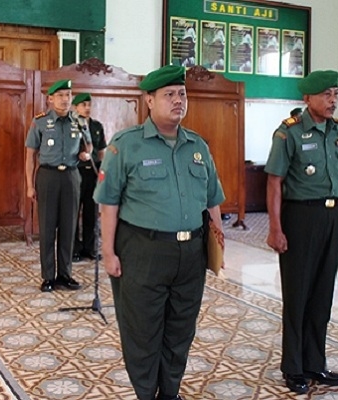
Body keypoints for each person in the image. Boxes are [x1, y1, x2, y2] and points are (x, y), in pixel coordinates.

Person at [94, 64, 225, 400]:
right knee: (143, 331)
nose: (178, 100)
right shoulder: (127, 146)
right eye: (169, 95)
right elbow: (108, 203)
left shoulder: (197, 146)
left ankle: (170, 392)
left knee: (180, 330)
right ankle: (145, 393)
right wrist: (108, 252)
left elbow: (212, 201)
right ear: (149, 101)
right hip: (143, 251)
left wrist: (219, 247)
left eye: (182, 94)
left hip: (190, 254)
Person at [264, 70, 338, 394]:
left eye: (335, 93)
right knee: (298, 295)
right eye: (326, 95)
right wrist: (275, 228)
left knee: (322, 295)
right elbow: (274, 182)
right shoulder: (288, 134)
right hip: (300, 217)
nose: (332, 100)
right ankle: (293, 367)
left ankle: (316, 362)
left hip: (331, 218)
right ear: (307, 98)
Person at [25, 79, 93, 292]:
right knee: (47, 227)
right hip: (47, 176)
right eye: (60, 95)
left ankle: (65, 274)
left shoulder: (78, 121)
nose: (65, 99)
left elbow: (89, 143)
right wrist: (29, 184)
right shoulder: (41, 122)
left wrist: (86, 153)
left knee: (69, 226)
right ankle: (48, 277)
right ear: (50, 99)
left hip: (71, 177)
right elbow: (30, 155)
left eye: (68, 95)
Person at [71, 92, 107, 262]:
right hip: (75, 173)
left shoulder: (97, 126)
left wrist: (102, 171)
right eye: (83, 105)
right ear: (75, 107)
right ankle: (74, 249)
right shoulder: (71, 125)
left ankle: (90, 248)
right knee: (73, 212)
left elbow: (100, 151)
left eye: (89, 104)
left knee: (91, 212)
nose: (87, 108)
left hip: (92, 173)